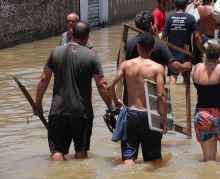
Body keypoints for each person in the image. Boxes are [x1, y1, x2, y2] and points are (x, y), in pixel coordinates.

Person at [34, 21, 113, 161]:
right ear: (87, 37)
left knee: (57, 152)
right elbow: (102, 85)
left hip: (58, 110)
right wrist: (110, 107)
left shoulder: (55, 52)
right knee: (81, 153)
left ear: (71, 33)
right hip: (82, 112)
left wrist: (37, 104)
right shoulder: (92, 56)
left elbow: (43, 80)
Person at [107, 32, 168, 165]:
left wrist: (116, 100)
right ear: (154, 48)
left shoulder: (126, 65)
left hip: (131, 115)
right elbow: (161, 96)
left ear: (138, 47)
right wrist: (164, 119)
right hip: (149, 116)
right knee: (155, 159)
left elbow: (109, 86)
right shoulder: (158, 68)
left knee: (129, 158)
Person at [122, 11, 192, 104]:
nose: (156, 26)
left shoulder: (127, 44)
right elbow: (174, 67)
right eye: (155, 24)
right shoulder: (158, 43)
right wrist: (186, 66)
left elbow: (120, 68)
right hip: (153, 100)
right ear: (151, 25)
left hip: (130, 99)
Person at [162, 0, 204, 85]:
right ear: (186, 6)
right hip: (186, 53)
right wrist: (202, 51)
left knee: (172, 77)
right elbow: (196, 36)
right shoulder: (191, 18)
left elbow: (164, 38)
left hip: (172, 54)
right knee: (187, 80)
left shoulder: (169, 18)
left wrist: (163, 53)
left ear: (174, 6)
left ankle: (173, 97)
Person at [193, 0, 220, 65]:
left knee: (197, 64)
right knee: (211, 64)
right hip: (208, 39)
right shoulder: (213, 11)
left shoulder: (195, 9)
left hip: (197, 38)